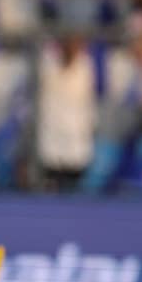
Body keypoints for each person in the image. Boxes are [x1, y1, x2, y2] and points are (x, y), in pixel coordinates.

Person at [36, 32, 95, 191]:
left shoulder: (86, 65)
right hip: (51, 139)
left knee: (74, 185)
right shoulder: (48, 64)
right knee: (50, 184)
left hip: (76, 139)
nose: (72, 48)